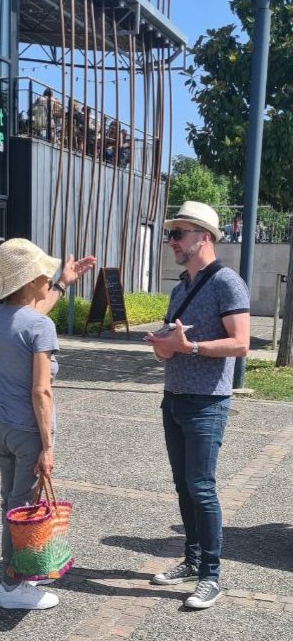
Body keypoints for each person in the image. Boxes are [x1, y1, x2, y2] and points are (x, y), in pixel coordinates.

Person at [146, 201, 250, 610]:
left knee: (202, 488)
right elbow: (174, 343)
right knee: (183, 486)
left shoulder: (228, 283)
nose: (171, 241)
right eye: (171, 234)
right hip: (173, 398)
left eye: (179, 234)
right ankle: (190, 560)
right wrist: (163, 347)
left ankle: (211, 575)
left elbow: (241, 343)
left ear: (203, 236)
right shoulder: (179, 288)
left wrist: (189, 347)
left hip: (208, 403)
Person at [0, 239, 96, 611]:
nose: (47, 276)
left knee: (11, 504)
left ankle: (14, 576)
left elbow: (33, 313)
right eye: (45, 274)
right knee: (22, 508)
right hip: (28, 434)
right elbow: (41, 392)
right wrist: (48, 445)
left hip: (2, 430)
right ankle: (13, 586)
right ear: (33, 278)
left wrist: (64, 282)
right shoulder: (40, 328)